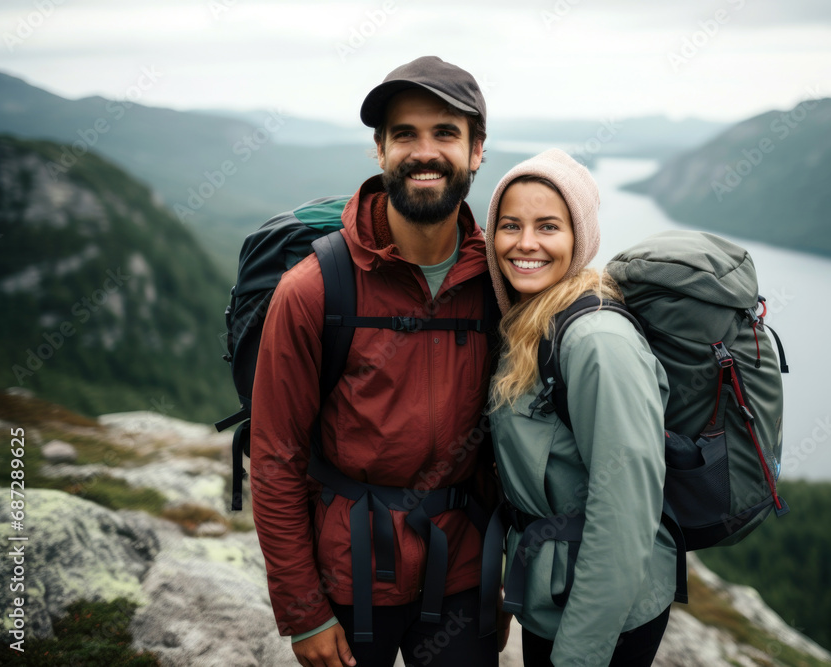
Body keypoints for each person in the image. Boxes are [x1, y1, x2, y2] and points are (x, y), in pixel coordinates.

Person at [249, 56, 508, 667]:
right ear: (379, 150)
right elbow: (276, 456)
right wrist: (303, 612)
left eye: (446, 133)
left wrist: (499, 578)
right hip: (348, 575)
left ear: (477, 152)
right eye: (404, 135)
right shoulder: (315, 288)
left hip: (462, 575)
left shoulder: (496, 287)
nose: (425, 152)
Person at [484, 148, 678, 666]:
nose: (525, 244)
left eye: (548, 226)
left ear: (580, 239)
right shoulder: (531, 323)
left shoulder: (595, 340)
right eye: (510, 225)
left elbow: (625, 517)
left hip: (600, 615)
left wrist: (580, 653)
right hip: (551, 594)